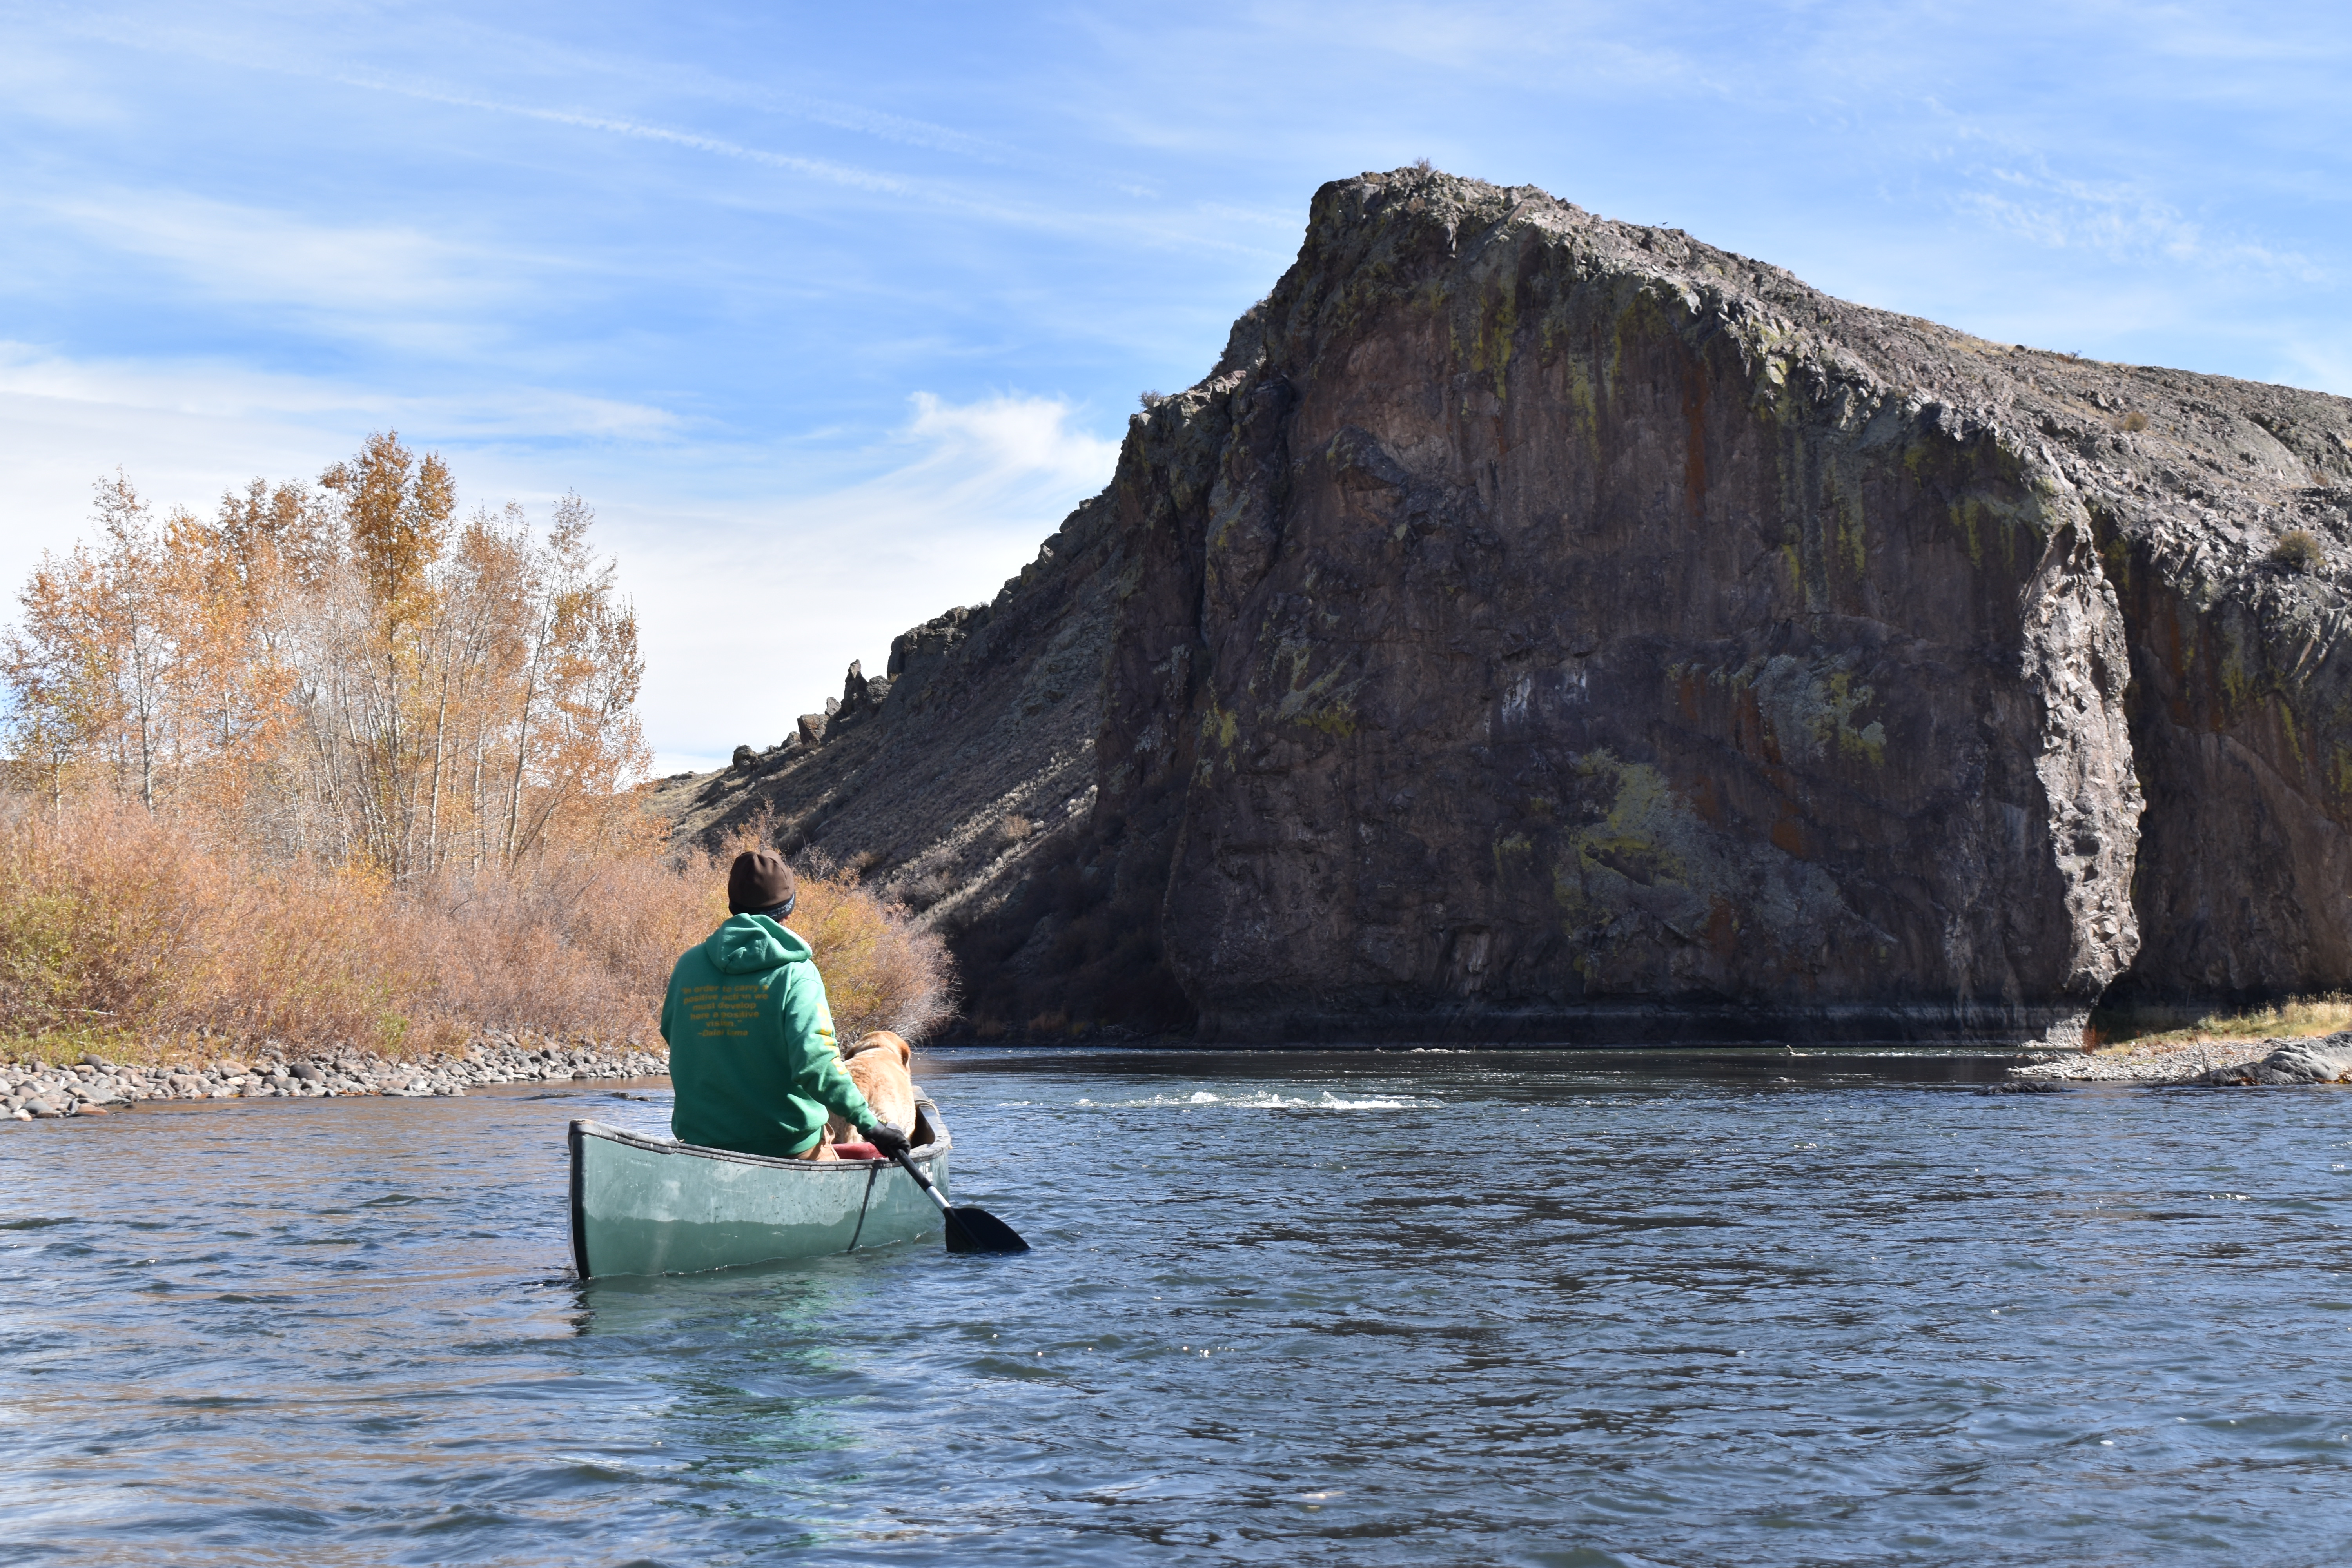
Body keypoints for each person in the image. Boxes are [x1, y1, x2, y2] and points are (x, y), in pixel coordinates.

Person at [661, 849, 911, 1161]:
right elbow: (817, 1064)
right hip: (788, 1147)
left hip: (701, 1145)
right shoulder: (798, 974)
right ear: (788, 913)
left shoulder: (688, 966)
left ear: (733, 907)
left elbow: (675, 1036)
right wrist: (871, 1125)